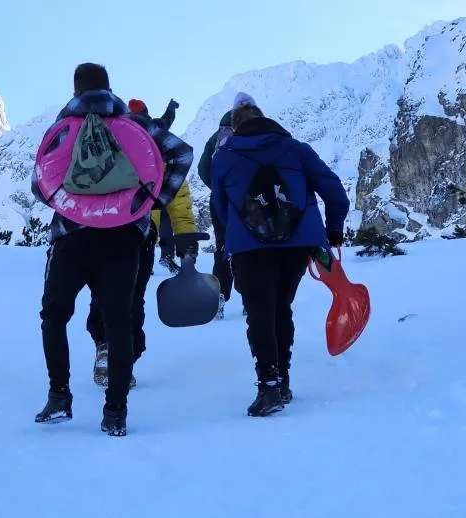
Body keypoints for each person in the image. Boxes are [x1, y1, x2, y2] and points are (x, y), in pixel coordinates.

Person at [32, 64, 193, 437]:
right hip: (123, 236)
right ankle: (115, 412)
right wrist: (150, 201)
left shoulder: (61, 127)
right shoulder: (135, 125)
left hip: (71, 237)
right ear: (109, 88)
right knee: (118, 321)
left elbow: (40, 185)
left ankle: (59, 397)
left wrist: (72, 205)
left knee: (54, 316)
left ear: (75, 88)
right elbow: (181, 155)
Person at [210, 95, 349, 417]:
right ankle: (282, 380)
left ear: (234, 127)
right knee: (281, 307)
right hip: (297, 244)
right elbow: (334, 191)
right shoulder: (297, 149)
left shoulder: (223, 157)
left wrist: (230, 238)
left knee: (259, 311)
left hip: (249, 247)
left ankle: (269, 384)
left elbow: (218, 207)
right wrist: (333, 231)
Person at [85, 174, 197, 388]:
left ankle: (114, 352)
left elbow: (178, 198)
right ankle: (115, 353)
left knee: (113, 293)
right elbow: (179, 197)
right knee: (126, 294)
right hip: (127, 228)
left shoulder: (157, 149)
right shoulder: (158, 146)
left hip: (118, 227)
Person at [197, 95, 256, 319]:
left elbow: (203, 168)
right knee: (250, 246)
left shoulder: (217, 135)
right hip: (250, 201)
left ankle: (219, 298)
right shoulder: (254, 131)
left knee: (223, 246)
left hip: (220, 201)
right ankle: (250, 298)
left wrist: (219, 188)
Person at [127, 98, 182, 274]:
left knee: (135, 219)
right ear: (146, 111)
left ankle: (135, 257)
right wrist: (171, 106)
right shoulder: (152, 125)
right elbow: (167, 119)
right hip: (154, 180)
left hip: (128, 182)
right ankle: (164, 254)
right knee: (163, 216)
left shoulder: (122, 127)